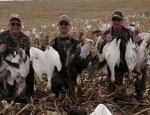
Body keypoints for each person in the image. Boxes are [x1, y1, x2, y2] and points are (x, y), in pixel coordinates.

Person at [97, 11, 147, 102]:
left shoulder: (129, 32)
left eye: (118, 19)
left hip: (129, 62)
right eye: (114, 19)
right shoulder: (106, 34)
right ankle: (116, 91)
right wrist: (105, 42)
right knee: (114, 91)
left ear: (122, 21)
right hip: (115, 65)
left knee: (142, 66)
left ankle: (139, 93)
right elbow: (99, 49)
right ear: (111, 21)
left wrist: (139, 41)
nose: (116, 21)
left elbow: (138, 44)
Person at [0, 14, 34, 103]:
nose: (15, 26)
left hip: (18, 66)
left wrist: (22, 53)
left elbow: (26, 58)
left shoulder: (25, 38)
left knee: (31, 64)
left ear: (21, 26)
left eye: (18, 24)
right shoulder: (1, 36)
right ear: (9, 25)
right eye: (13, 24)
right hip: (4, 66)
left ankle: (29, 93)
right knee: (7, 93)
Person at [50, 15, 79, 99]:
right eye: (61, 23)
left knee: (73, 96)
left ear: (69, 26)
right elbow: (45, 55)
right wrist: (44, 46)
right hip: (59, 72)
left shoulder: (75, 42)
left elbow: (82, 58)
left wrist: (84, 44)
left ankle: (71, 88)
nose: (63, 25)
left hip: (72, 74)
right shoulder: (53, 42)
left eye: (65, 24)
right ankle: (59, 95)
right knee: (55, 79)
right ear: (58, 26)